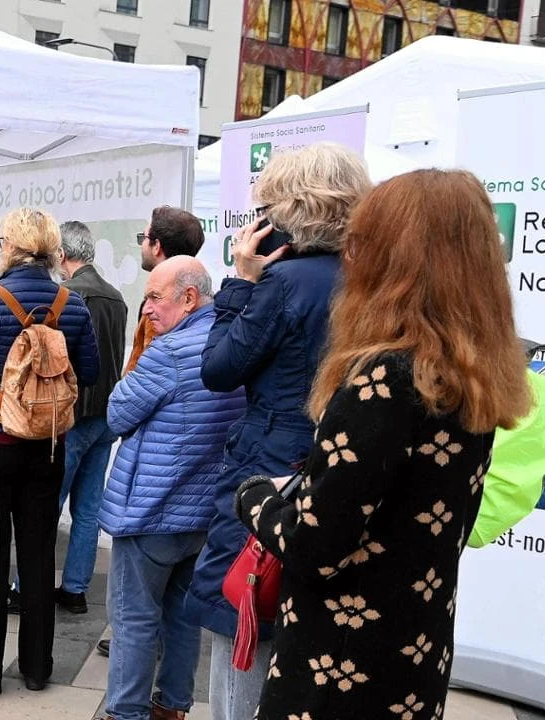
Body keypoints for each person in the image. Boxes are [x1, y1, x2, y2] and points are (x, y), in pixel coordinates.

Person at [233, 169, 531, 720]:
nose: (350, 255)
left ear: (392, 257)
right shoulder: (468, 374)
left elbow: (313, 549)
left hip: (339, 668)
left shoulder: (386, 379)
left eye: (362, 241)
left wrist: (255, 497)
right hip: (413, 650)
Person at [183, 143, 372, 720]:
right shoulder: (369, 279)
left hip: (267, 468)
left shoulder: (281, 283)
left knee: (244, 616)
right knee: (303, 624)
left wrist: (240, 280)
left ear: (285, 211)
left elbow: (218, 369)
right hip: (337, 465)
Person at [0, 207, 99, 694]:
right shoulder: (72, 304)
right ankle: (37, 668)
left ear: (8, 245)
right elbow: (90, 372)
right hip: (46, 444)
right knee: (37, 554)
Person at [99, 257, 245, 720]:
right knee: (182, 617)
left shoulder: (169, 353)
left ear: (188, 297)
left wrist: (141, 358)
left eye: (155, 297)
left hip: (152, 513)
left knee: (133, 619)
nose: (145, 308)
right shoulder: (237, 344)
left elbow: (116, 415)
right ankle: (172, 708)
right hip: (205, 514)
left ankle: (125, 713)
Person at [9, 220, 126, 613]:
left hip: (68, 418)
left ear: (61, 255)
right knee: (88, 510)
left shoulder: (65, 298)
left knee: (46, 504)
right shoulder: (116, 297)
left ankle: (27, 587)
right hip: (106, 415)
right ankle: (75, 589)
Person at [124, 206, 204, 374]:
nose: (142, 245)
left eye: (143, 238)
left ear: (157, 246)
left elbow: (147, 372)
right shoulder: (201, 296)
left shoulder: (160, 309)